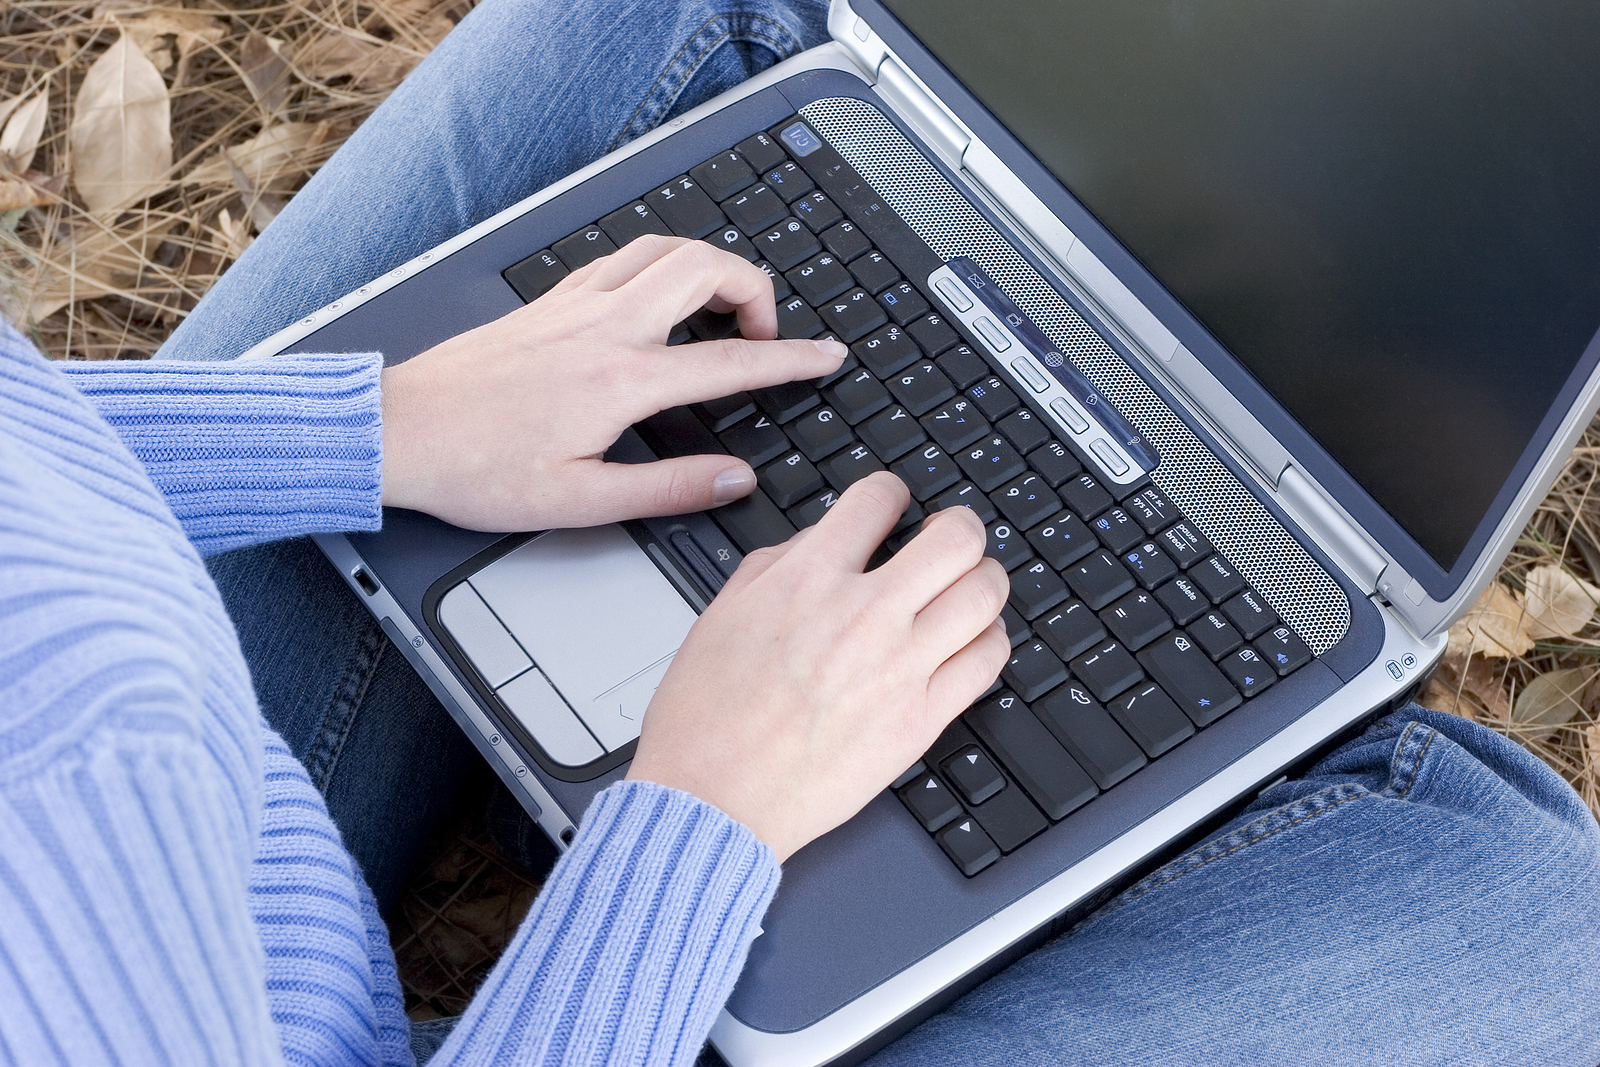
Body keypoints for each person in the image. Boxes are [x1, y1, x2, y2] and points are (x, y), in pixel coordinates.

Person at [2, 0, 1597, 1064]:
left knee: (717, 23)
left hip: (187, 840)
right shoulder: (74, 791)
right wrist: (697, 827)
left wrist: (371, 428)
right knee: (1512, 902)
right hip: (197, 904)